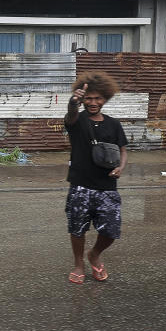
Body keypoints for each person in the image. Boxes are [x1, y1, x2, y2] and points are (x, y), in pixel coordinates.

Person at [63, 71, 128, 284]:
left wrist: (120, 167)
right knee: (77, 228)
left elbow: (123, 150)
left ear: (105, 99)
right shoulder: (77, 121)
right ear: (83, 99)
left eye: (98, 98)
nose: (93, 102)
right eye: (88, 98)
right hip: (80, 185)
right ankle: (78, 264)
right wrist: (74, 102)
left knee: (111, 230)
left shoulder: (114, 124)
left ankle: (95, 254)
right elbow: (71, 113)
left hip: (108, 186)